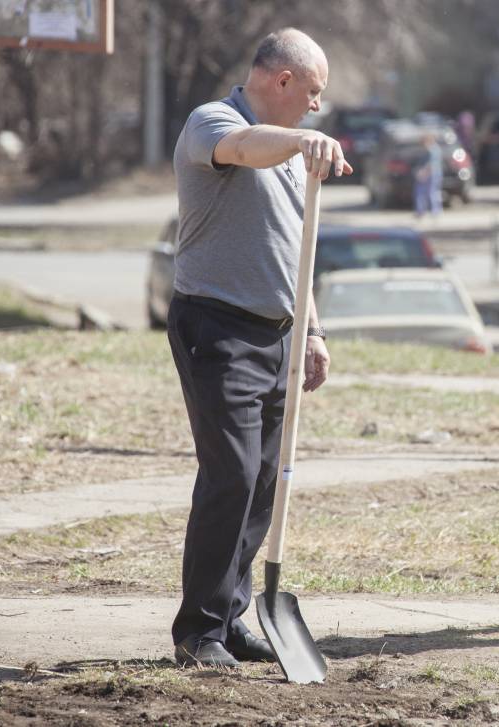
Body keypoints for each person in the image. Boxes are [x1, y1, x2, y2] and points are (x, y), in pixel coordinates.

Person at [166, 28, 351, 669]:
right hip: (215, 328)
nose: (316, 108)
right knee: (233, 475)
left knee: (264, 482)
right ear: (281, 81)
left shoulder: (292, 159)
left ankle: (232, 613)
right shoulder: (212, 122)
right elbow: (242, 148)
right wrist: (300, 141)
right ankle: (198, 631)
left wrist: (314, 331)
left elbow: (293, 250)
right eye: (313, 94)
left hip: (275, 335)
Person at [413, 131, 443, 218]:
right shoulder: (429, 149)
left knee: (432, 193)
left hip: (431, 174)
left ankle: (435, 212)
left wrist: (423, 173)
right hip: (429, 174)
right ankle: (421, 211)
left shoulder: (433, 149)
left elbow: (431, 164)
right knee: (422, 193)